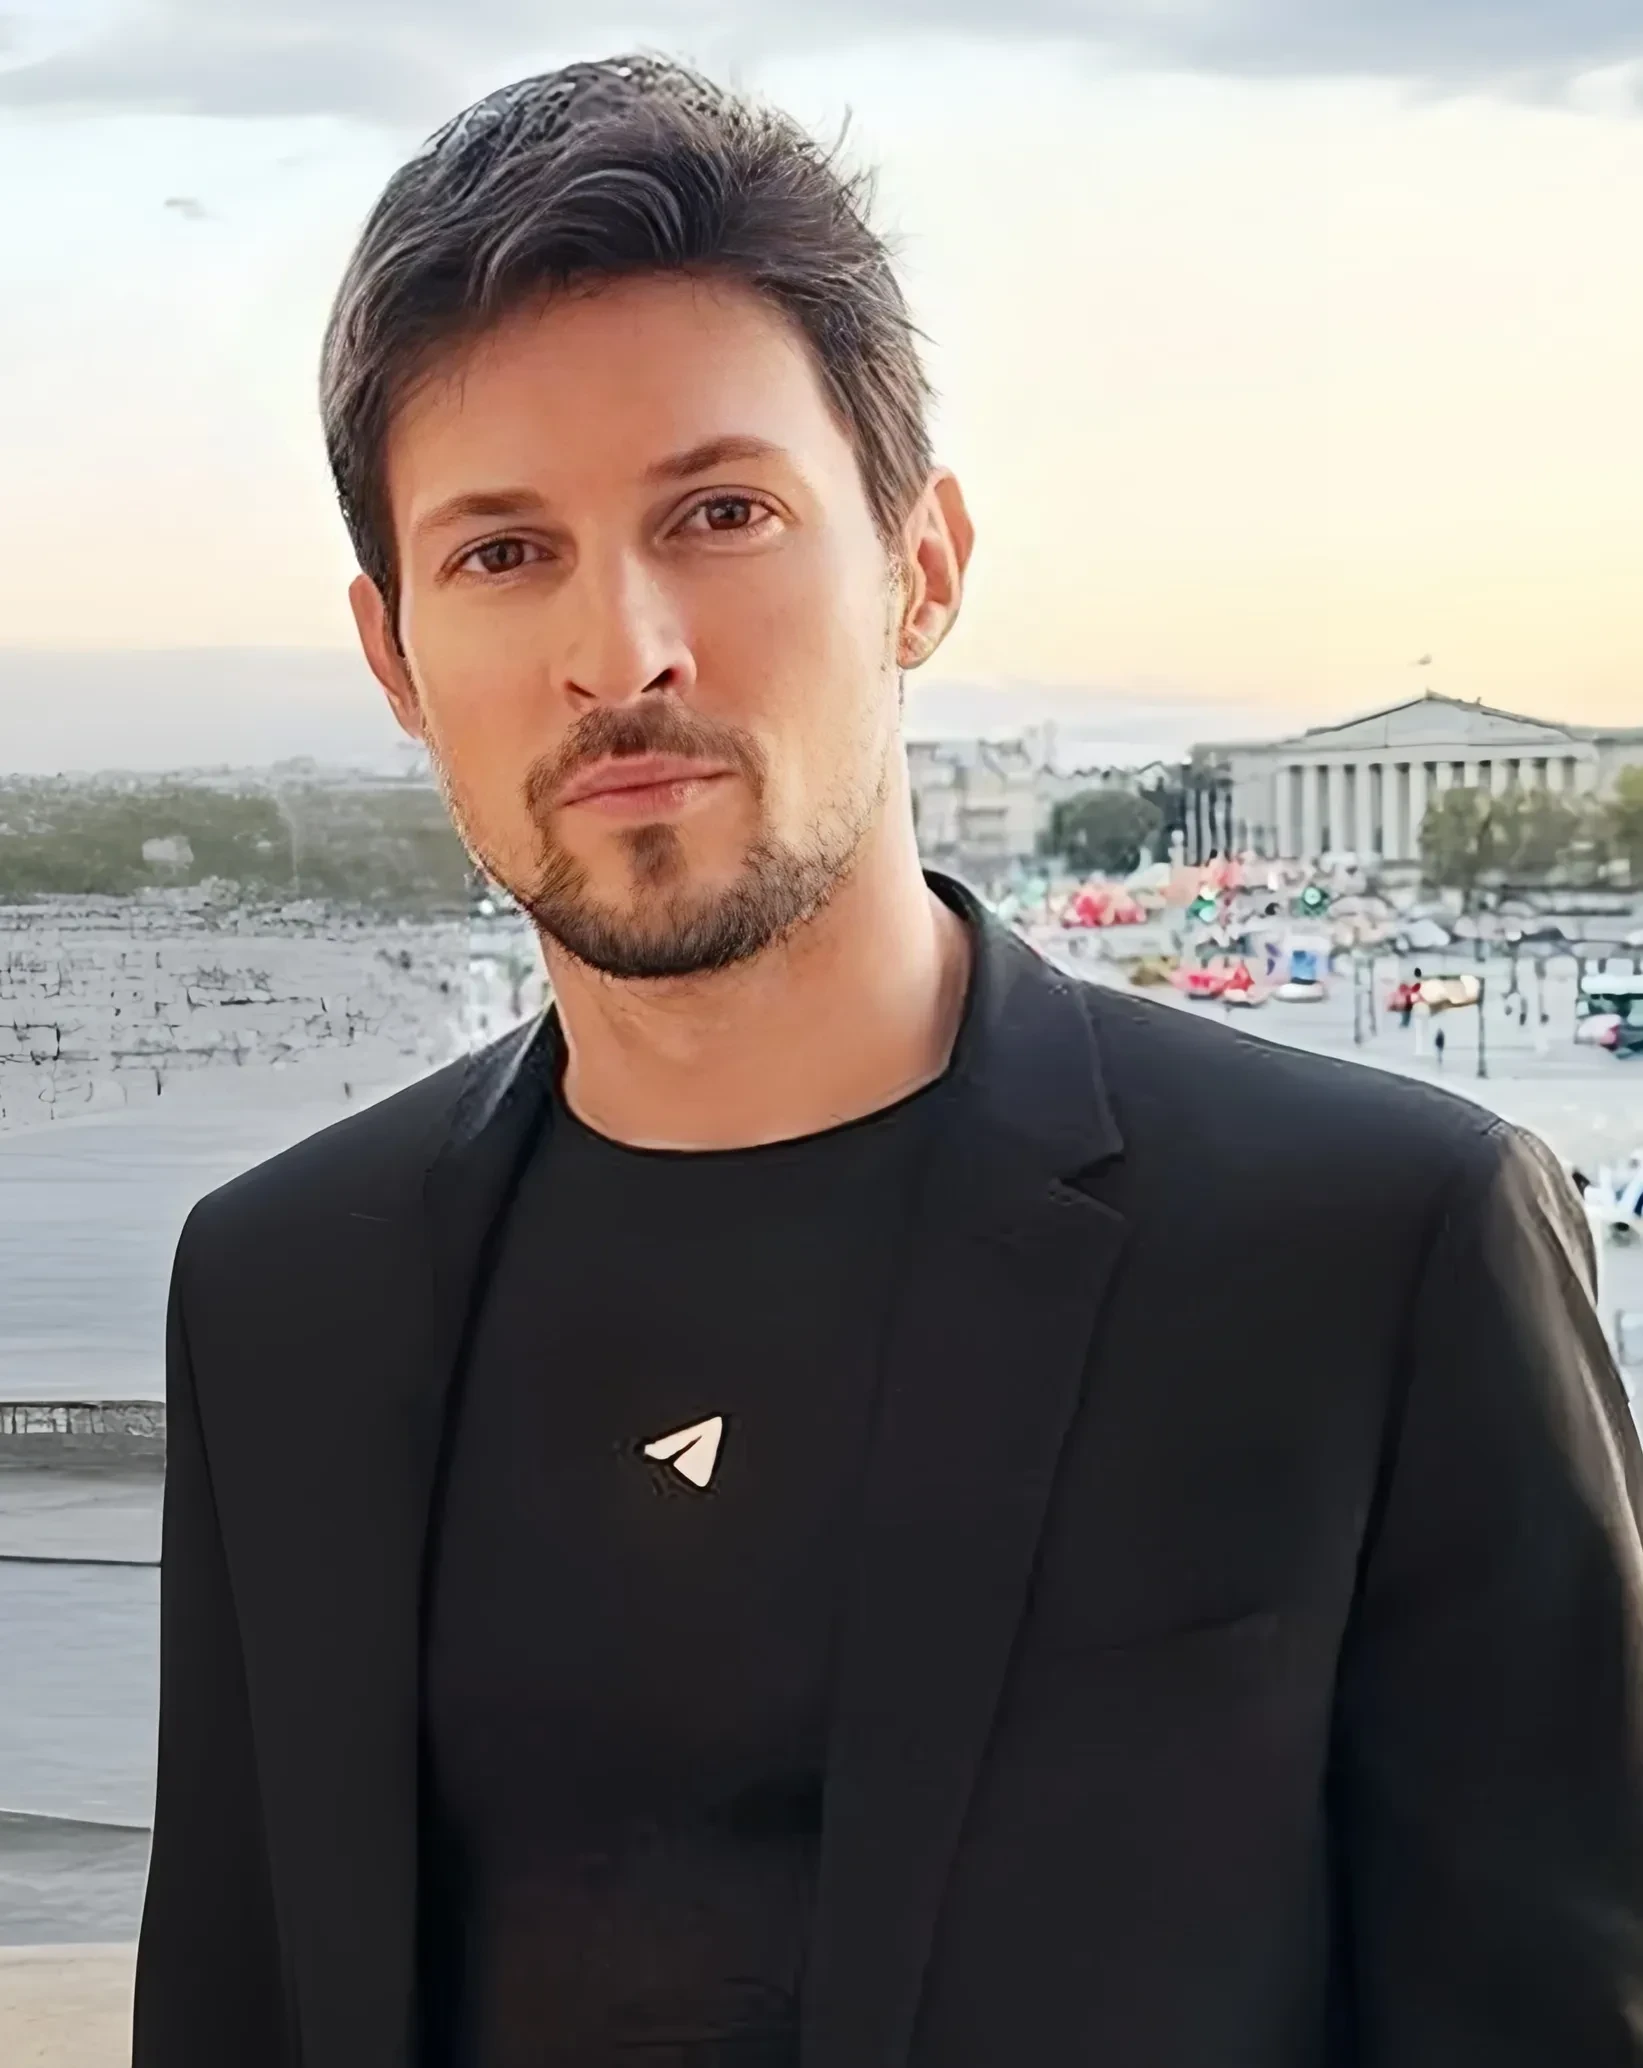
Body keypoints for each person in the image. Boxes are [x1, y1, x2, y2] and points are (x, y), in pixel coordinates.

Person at [132, 56, 1643, 2068]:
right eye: (502, 552)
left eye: (720, 513)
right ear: (394, 654)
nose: (623, 649)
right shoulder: (278, 1296)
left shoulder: (1378, 1249)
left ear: (919, 566)